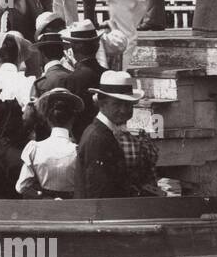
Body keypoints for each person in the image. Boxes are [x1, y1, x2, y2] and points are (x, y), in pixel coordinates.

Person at [78, 71, 149, 199]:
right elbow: (98, 192)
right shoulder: (98, 138)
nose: (124, 110)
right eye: (117, 104)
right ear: (102, 104)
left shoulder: (104, 133)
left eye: (128, 104)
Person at [16, 88, 82, 198]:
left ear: (47, 119)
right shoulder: (78, 151)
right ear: (72, 119)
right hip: (73, 209)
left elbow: (21, 187)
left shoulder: (35, 148)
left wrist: (42, 196)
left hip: (43, 209)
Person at [62, 20, 105, 136]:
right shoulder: (107, 74)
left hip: (80, 136)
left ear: (74, 47)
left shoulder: (72, 78)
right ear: (97, 45)